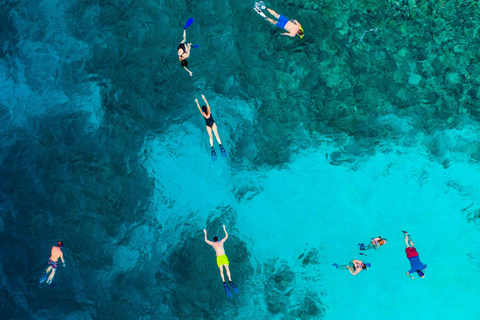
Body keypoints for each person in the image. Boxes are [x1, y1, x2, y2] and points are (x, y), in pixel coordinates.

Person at [203, 225, 239, 297]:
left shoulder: (213, 244)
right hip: (224, 256)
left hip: (219, 258)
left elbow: (206, 240)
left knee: (221, 271)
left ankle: (224, 282)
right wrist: (224, 229)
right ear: (218, 239)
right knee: (227, 269)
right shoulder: (221, 242)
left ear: (214, 240)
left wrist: (205, 233)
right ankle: (230, 280)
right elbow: (227, 236)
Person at [195, 95, 227, 160]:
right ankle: (220, 145)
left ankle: (212, 147)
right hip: (213, 123)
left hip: (208, 125)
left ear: (203, 110)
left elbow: (199, 108)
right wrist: (204, 98)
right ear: (206, 108)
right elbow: (207, 104)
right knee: (216, 134)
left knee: (210, 136)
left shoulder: (203, 114)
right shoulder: (209, 111)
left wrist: (197, 102)